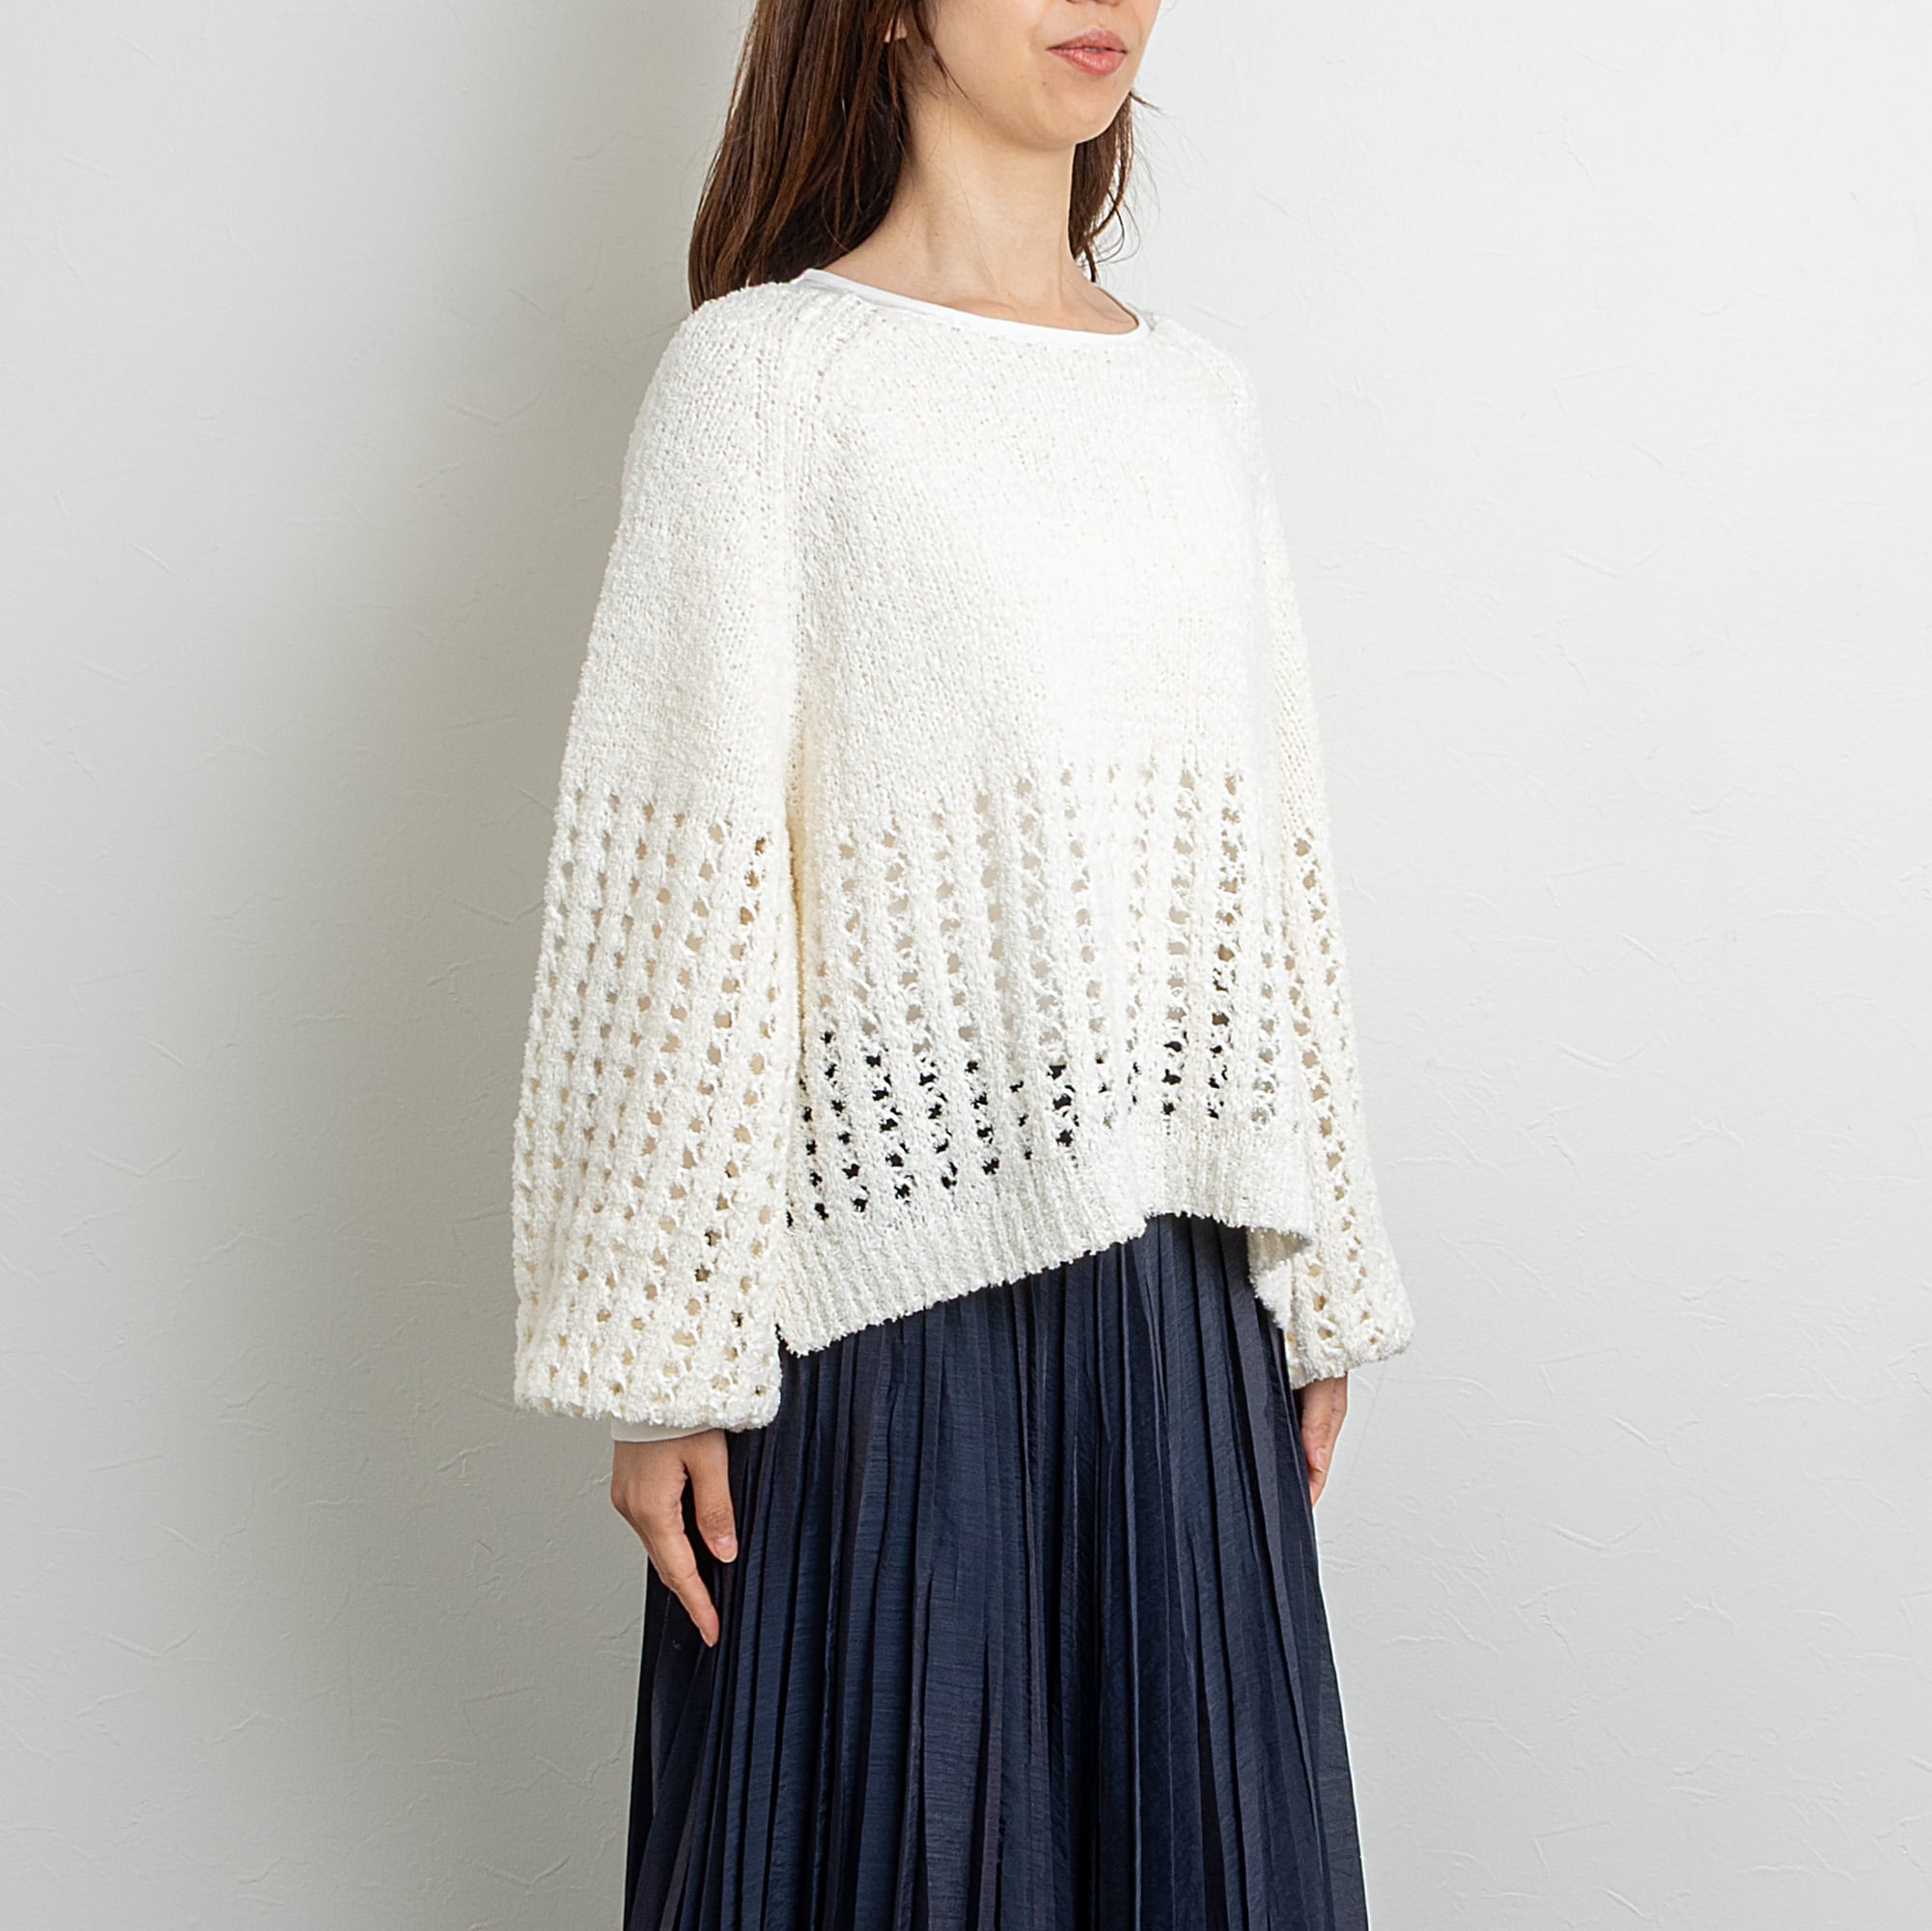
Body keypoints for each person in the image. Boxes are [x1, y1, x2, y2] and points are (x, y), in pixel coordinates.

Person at [508, 4, 1416, 1924]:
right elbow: (686, 868)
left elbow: (1272, 856)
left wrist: (1315, 1262)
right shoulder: (766, 381)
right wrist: (659, 1356)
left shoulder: (1196, 401)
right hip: (880, 1316)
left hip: (1178, 1302)